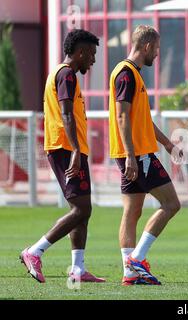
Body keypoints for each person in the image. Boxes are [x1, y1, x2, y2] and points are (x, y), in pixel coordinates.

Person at [20, 29, 105, 283]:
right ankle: (34, 252)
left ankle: (77, 269)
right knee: (81, 209)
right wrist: (76, 150)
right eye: (91, 54)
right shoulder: (66, 74)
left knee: (82, 209)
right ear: (79, 52)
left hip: (69, 148)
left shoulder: (63, 74)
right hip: (66, 148)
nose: (92, 60)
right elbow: (66, 114)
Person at [109, 25, 182, 286]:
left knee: (132, 211)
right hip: (137, 155)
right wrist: (130, 156)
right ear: (148, 47)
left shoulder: (132, 74)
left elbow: (143, 121)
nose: (158, 54)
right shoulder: (127, 74)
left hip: (133, 153)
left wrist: (169, 145)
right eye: (158, 49)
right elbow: (121, 116)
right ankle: (136, 260)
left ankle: (130, 273)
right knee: (172, 204)